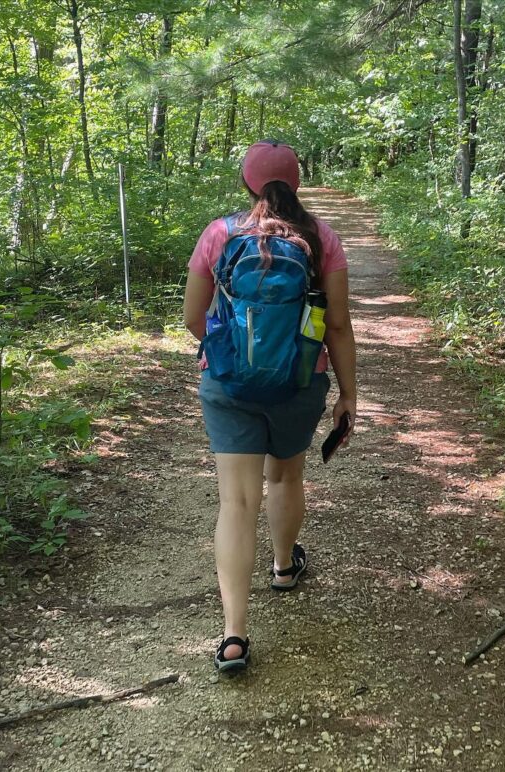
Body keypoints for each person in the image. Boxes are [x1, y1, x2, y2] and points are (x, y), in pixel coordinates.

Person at [183, 140, 358, 672]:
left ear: (247, 183)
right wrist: (348, 393)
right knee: (285, 477)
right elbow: (339, 325)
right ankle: (284, 567)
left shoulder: (220, 233)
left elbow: (193, 315)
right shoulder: (321, 237)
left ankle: (234, 634)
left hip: (228, 384)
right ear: (297, 182)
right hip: (299, 381)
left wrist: (227, 354)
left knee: (236, 503)